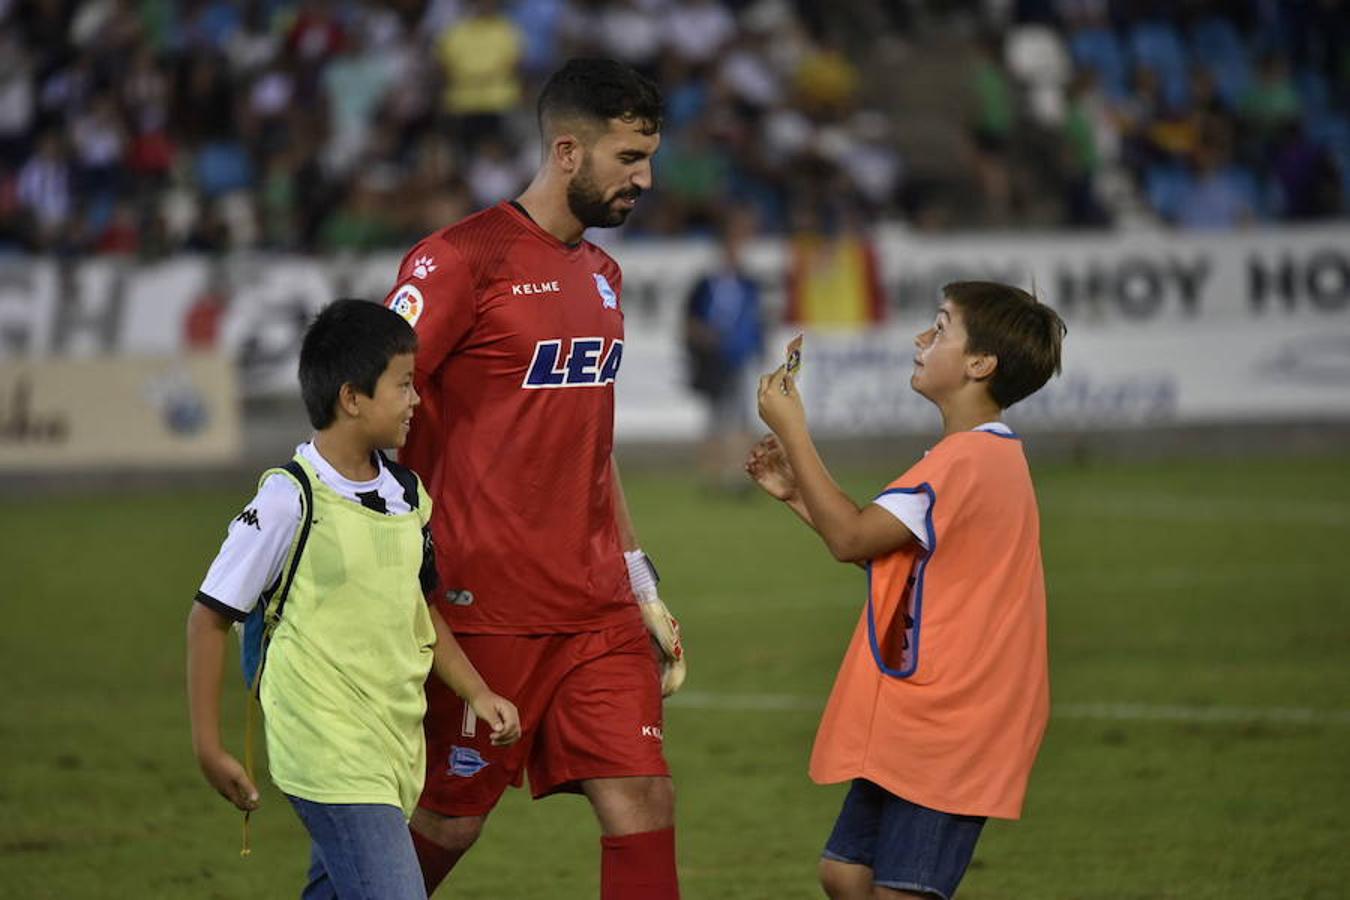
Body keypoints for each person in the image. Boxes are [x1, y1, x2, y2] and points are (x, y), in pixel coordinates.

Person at [380, 59, 684, 899]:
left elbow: (594, 446)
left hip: (596, 608)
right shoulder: (457, 263)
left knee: (643, 797)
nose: (645, 179)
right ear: (565, 151)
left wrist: (639, 578)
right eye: (628, 159)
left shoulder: (604, 276)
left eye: (649, 157)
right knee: (451, 817)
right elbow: (371, 407)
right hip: (486, 609)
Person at [186, 299, 521, 900]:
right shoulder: (291, 498)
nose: (417, 399)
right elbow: (209, 617)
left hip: (392, 743)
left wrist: (478, 692)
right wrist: (210, 748)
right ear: (352, 398)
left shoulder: (406, 495)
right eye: (404, 385)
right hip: (326, 746)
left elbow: (420, 610)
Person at [747, 281, 1066, 899]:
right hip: (926, 718)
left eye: (941, 328)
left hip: (955, 724)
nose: (922, 340)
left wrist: (794, 431)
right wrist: (795, 494)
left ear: (980, 365)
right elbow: (898, 563)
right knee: (846, 874)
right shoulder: (978, 457)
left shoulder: (964, 463)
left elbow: (853, 538)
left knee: (896, 891)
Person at [684, 207, 765, 490]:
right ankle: (713, 476)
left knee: (743, 415)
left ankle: (741, 475)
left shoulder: (749, 283)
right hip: (714, 360)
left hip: (739, 357)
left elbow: (757, 320)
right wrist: (704, 340)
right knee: (715, 418)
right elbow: (690, 320)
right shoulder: (705, 285)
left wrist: (757, 349)